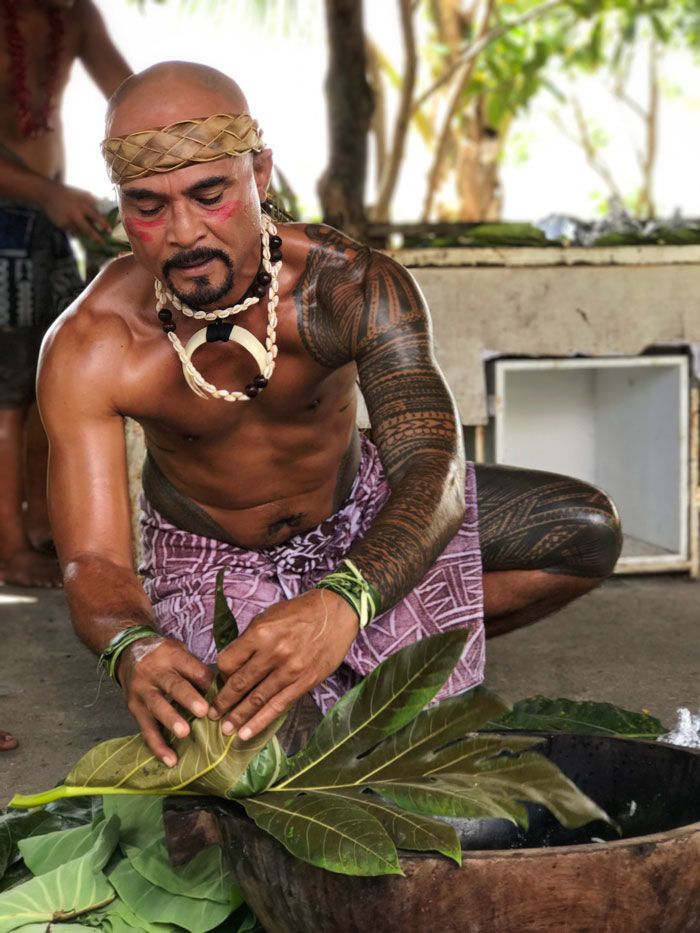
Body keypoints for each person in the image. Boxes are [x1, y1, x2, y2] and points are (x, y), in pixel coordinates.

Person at [38, 61, 622, 765]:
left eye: (209, 193)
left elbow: (432, 471)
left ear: (260, 175)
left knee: (582, 530)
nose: (184, 232)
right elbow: (93, 559)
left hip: (361, 513)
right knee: (255, 783)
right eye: (148, 206)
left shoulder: (348, 287)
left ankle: (376, 641)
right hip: (211, 559)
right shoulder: (91, 344)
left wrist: (345, 602)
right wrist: (132, 645)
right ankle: (345, 651)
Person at [0, 0, 130, 588]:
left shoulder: (74, 15)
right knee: (5, 393)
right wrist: (44, 194)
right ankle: (9, 548)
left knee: (51, 377)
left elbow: (130, 92)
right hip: (9, 218)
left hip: (52, 215)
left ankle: (44, 526)